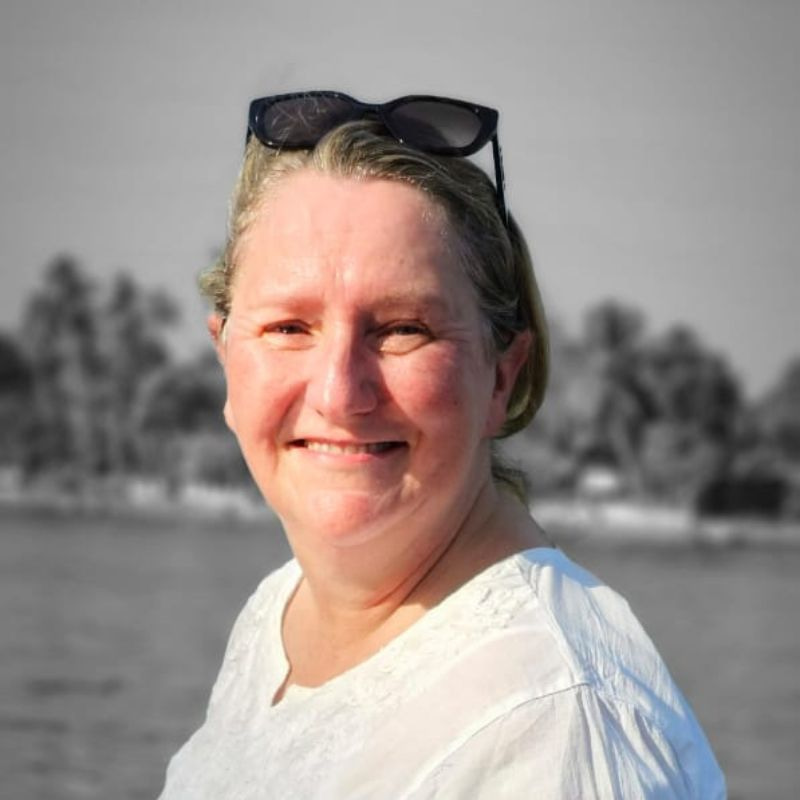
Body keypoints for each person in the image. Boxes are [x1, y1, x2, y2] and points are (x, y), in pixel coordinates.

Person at [159, 91, 725, 798]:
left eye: (403, 329)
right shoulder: (278, 614)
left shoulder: (549, 725)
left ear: (501, 376)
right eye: (288, 328)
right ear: (226, 358)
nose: (338, 392)